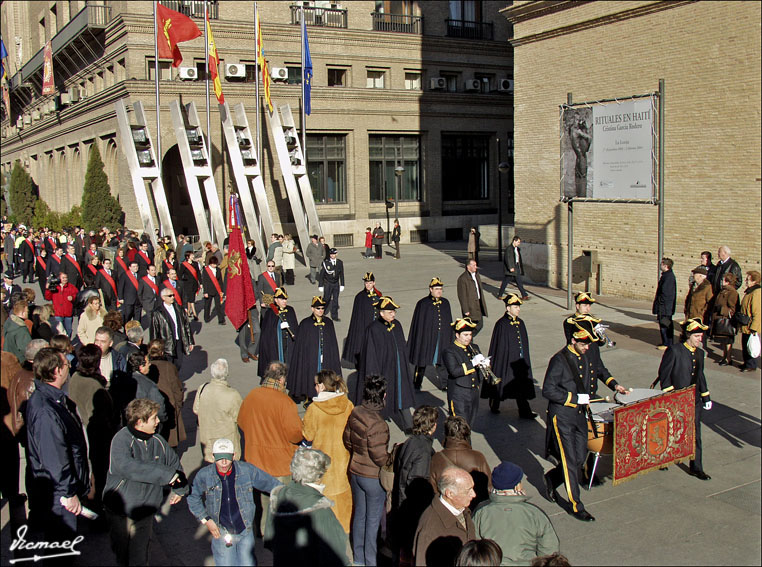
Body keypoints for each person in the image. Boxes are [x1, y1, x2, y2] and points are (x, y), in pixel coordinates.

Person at [542, 319, 627, 521]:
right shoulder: (559, 360)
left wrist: (615, 385)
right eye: (583, 344)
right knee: (571, 460)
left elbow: (598, 371)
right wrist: (572, 399)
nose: (587, 347)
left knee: (580, 456)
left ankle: (553, 478)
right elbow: (548, 390)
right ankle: (576, 505)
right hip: (562, 416)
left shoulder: (586, 354)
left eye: (588, 344)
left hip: (580, 414)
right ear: (573, 340)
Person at [103, 398, 188, 567]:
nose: (158, 421)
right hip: (121, 512)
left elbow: (174, 466)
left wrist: (180, 488)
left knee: (139, 558)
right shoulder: (121, 440)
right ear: (140, 422)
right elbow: (129, 467)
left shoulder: (158, 441)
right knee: (122, 555)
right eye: (154, 418)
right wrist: (166, 475)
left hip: (145, 512)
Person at [25, 347, 90, 539]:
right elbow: (55, 457)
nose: (69, 368)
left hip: (58, 491)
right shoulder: (46, 410)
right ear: (56, 371)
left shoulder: (51, 399)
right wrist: (68, 493)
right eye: (66, 365)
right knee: (61, 546)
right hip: (59, 497)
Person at [188, 438, 282, 567]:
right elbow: (193, 497)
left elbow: (272, 484)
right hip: (221, 533)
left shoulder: (246, 470)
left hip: (245, 530)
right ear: (212, 456)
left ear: (234, 455)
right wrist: (206, 520)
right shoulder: (204, 475)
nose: (224, 462)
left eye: (227, 457)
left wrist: (294, 494)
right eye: (220, 458)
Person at [237, 361, 303, 535]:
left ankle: (262, 531)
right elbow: (295, 434)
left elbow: (241, 421)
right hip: (279, 464)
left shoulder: (252, 395)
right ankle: (275, 538)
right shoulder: (285, 402)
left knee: (262, 501)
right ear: (281, 379)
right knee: (279, 505)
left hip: (255, 460)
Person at [265, 448, 350, 566]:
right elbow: (336, 552)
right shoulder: (320, 509)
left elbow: (269, 539)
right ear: (318, 476)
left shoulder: (278, 497)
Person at [343, 375, 390, 567]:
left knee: (359, 515)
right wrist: (391, 458)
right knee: (372, 521)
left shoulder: (356, 412)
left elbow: (347, 440)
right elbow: (379, 456)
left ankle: (359, 558)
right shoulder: (379, 424)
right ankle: (371, 561)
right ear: (383, 395)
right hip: (372, 476)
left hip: (355, 470)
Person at [474, 462, 559, 566]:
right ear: (518, 486)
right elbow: (549, 550)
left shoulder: (481, 512)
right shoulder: (534, 513)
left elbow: (474, 545)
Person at [658, 318, 713, 480]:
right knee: (672, 430)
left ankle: (696, 467)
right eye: (697, 336)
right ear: (688, 335)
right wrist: (671, 394)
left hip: (693, 399)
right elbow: (664, 375)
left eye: (701, 336)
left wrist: (705, 396)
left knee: (695, 433)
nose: (699, 339)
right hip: (676, 399)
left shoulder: (700, 354)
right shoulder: (674, 351)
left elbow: (700, 376)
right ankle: (664, 458)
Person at [302, 370, 354, 532]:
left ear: (322, 386)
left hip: (323, 470)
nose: (314, 388)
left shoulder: (314, 409)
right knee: (344, 513)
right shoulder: (348, 405)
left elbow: (307, 434)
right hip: (344, 467)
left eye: (316, 384)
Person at [67, 343, 117, 505]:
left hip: (80, 435)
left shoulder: (75, 378)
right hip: (96, 439)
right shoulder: (96, 388)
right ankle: (97, 509)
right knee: (98, 476)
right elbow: (103, 420)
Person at [356, 296, 416, 427]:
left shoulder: (397, 325)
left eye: (394, 311)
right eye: (390, 312)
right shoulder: (373, 329)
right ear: (381, 313)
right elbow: (371, 357)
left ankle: (409, 425)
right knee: (383, 400)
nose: (393, 314)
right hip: (385, 371)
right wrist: (375, 379)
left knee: (402, 397)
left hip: (399, 370)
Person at [393, 405, 438, 563]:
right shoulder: (423, 450)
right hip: (412, 510)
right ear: (433, 426)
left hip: (403, 503)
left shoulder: (411, 442)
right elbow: (416, 483)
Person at [483, 294, 536, 418]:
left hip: (519, 360)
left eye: (518, 306)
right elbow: (498, 345)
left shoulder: (520, 322)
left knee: (521, 384)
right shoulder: (501, 324)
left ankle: (524, 411)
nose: (518, 309)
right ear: (508, 308)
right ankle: (494, 403)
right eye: (515, 306)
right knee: (501, 378)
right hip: (506, 358)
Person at [413, 466, 476, 567]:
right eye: (468, 490)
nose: (474, 494)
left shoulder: (463, 510)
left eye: (473, 488)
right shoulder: (429, 529)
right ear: (450, 494)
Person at [287, 296, 342, 402]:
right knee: (311, 377)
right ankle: (310, 397)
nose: (321, 310)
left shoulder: (329, 323)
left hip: (325, 356)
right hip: (310, 358)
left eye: (322, 308)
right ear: (312, 309)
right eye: (318, 308)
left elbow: (332, 344)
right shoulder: (305, 324)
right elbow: (301, 346)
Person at [429, 416, 491, 509]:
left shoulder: (436, 459)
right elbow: (489, 487)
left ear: (446, 434)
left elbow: (432, 490)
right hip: (474, 510)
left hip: (447, 511)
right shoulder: (478, 458)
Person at [194, 359, 244, 463]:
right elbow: (240, 417)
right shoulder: (232, 395)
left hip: (207, 439)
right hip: (227, 443)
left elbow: (196, 409)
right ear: (226, 374)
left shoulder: (202, 388)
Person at [408, 277, 454, 391]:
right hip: (427, 338)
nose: (439, 291)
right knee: (422, 362)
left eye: (440, 289)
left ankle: (444, 384)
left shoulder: (445, 303)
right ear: (430, 289)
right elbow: (418, 324)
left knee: (442, 361)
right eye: (436, 288)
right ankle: (417, 383)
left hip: (441, 337)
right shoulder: (423, 304)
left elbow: (449, 321)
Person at [443, 317, 487, 427]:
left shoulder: (474, 348)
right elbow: (454, 371)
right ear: (457, 335)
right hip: (459, 393)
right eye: (465, 335)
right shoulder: (450, 351)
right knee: (459, 426)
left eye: (470, 335)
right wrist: (472, 363)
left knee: (469, 424)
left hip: (473, 392)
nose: (468, 338)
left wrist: (484, 366)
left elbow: (479, 372)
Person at [147, 339, 186, 448]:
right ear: (162, 352)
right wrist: (178, 406)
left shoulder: (146, 367)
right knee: (170, 447)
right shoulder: (169, 367)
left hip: (151, 412)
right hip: (169, 409)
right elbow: (177, 389)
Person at [342, 272, 383, 368]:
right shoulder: (360, 297)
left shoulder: (378, 295)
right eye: (366, 283)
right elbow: (357, 317)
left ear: (374, 283)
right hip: (363, 327)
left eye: (370, 283)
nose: (368, 285)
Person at [257, 287, 298, 379]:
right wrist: (278, 326)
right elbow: (267, 333)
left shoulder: (290, 310)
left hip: (289, 342)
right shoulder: (270, 313)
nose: (284, 301)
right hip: (276, 344)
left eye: (285, 299)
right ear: (275, 300)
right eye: (282, 299)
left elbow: (295, 327)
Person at [150, 287, 195, 368]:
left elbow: (186, 325)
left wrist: (190, 341)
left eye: (173, 295)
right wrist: (155, 348)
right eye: (170, 296)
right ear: (163, 298)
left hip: (179, 341)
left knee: (178, 364)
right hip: (166, 344)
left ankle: (175, 377)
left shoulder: (179, 308)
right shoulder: (157, 313)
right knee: (168, 366)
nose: (173, 297)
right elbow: (154, 332)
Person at [712, 272, 741, 366]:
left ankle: (728, 358)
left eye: (723, 280)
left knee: (728, 340)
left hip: (727, 320)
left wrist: (722, 310)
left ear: (728, 281)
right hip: (720, 318)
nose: (722, 281)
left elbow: (733, 308)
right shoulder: (723, 290)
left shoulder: (732, 292)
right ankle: (724, 357)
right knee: (724, 340)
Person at [457, 259, 488, 336]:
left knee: (480, 325)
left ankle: (468, 338)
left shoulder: (477, 275)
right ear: (468, 267)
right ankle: (467, 339)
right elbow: (462, 296)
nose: (476, 267)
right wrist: (465, 309)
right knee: (470, 326)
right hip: (470, 307)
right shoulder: (463, 279)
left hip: (478, 304)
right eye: (473, 265)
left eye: (476, 265)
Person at [739, 271, 761, 372]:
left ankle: (751, 365)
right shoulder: (750, 291)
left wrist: (754, 327)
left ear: (754, 281)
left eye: (748, 279)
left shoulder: (757, 293)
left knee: (751, 345)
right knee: (745, 344)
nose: (746, 281)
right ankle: (746, 363)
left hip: (751, 325)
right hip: (745, 324)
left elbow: (757, 311)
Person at [653, 257, 677, 350]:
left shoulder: (668, 277)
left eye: (661, 264)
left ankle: (667, 343)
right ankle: (665, 342)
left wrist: (660, 304)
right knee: (664, 325)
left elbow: (665, 293)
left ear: (666, 266)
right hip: (665, 306)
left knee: (665, 325)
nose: (660, 265)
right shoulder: (666, 275)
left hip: (665, 307)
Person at [44, 272, 77, 337]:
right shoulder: (55, 286)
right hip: (58, 313)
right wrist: (47, 289)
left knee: (69, 330)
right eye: (63, 278)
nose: (65, 279)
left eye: (66, 278)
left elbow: (77, 295)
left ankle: (67, 343)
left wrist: (72, 297)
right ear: (59, 278)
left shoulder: (71, 287)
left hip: (68, 313)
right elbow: (47, 297)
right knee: (59, 331)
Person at [498, 235, 530, 300]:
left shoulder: (517, 249)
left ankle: (524, 295)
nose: (519, 243)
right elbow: (508, 258)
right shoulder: (509, 249)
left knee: (518, 281)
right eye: (518, 242)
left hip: (516, 266)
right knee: (506, 281)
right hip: (511, 268)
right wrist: (510, 267)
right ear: (514, 241)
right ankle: (500, 294)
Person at [569, 110, 592, 197]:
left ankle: (581, 196)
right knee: (580, 176)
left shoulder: (575, 130)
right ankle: (580, 196)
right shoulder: (574, 130)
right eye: (575, 119)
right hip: (579, 156)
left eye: (578, 120)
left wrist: (586, 149)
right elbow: (589, 138)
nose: (576, 121)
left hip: (580, 155)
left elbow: (589, 138)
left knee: (581, 176)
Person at [319, 248, 345, 321]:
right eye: (331, 254)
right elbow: (322, 274)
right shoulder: (326, 262)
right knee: (326, 299)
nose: (332, 255)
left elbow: (341, 274)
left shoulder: (340, 262)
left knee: (335, 300)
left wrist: (342, 284)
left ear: (336, 254)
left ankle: (334, 316)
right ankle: (322, 313)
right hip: (328, 283)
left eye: (334, 254)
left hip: (336, 283)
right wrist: (320, 285)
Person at [3, 299, 32, 363]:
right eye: (27, 311)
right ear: (22, 312)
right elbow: (26, 349)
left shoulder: (8, 322)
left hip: (7, 358)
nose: (28, 313)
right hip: (19, 362)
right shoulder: (21, 329)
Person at [203, 256, 226, 325]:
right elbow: (205, 281)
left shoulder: (218, 270)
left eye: (215, 264)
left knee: (218, 305)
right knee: (207, 305)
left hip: (217, 290)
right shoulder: (206, 270)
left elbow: (220, 281)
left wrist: (222, 290)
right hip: (209, 290)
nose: (214, 265)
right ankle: (206, 318)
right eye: (213, 264)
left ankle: (221, 320)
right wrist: (205, 292)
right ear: (210, 263)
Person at [179, 250, 201, 321]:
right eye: (191, 255)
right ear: (188, 256)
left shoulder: (195, 264)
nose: (193, 256)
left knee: (191, 298)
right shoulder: (183, 265)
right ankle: (195, 313)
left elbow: (198, 274)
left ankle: (188, 311)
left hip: (194, 283)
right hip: (187, 284)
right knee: (192, 299)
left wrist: (200, 283)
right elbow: (180, 274)